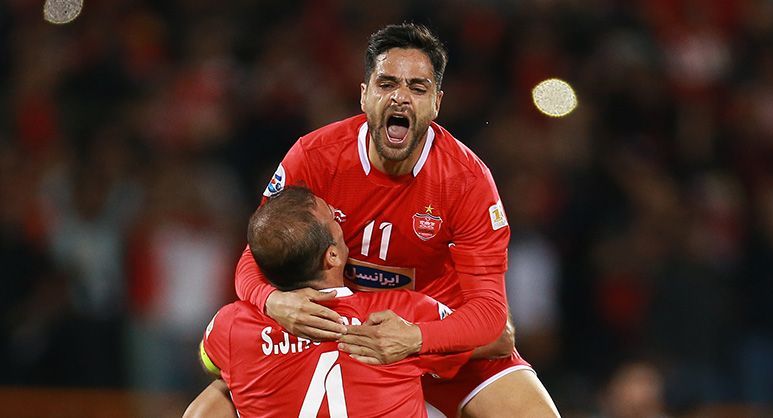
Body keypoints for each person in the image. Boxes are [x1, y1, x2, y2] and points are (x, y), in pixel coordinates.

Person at [216, 22, 559, 417]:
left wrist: (417, 338)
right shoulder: (314, 157)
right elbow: (255, 256)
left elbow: (490, 314)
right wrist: (273, 300)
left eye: (418, 88)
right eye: (387, 83)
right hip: (338, 331)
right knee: (207, 409)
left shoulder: (467, 180)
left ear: (436, 103)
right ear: (364, 95)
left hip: (433, 333)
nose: (400, 97)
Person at [194, 186, 474, 417]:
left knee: (213, 398)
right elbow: (486, 338)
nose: (339, 215)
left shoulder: (233, 323)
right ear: (332, 256)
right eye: (333, 217)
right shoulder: (402, 312)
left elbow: (210, 362)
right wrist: (417, 338)